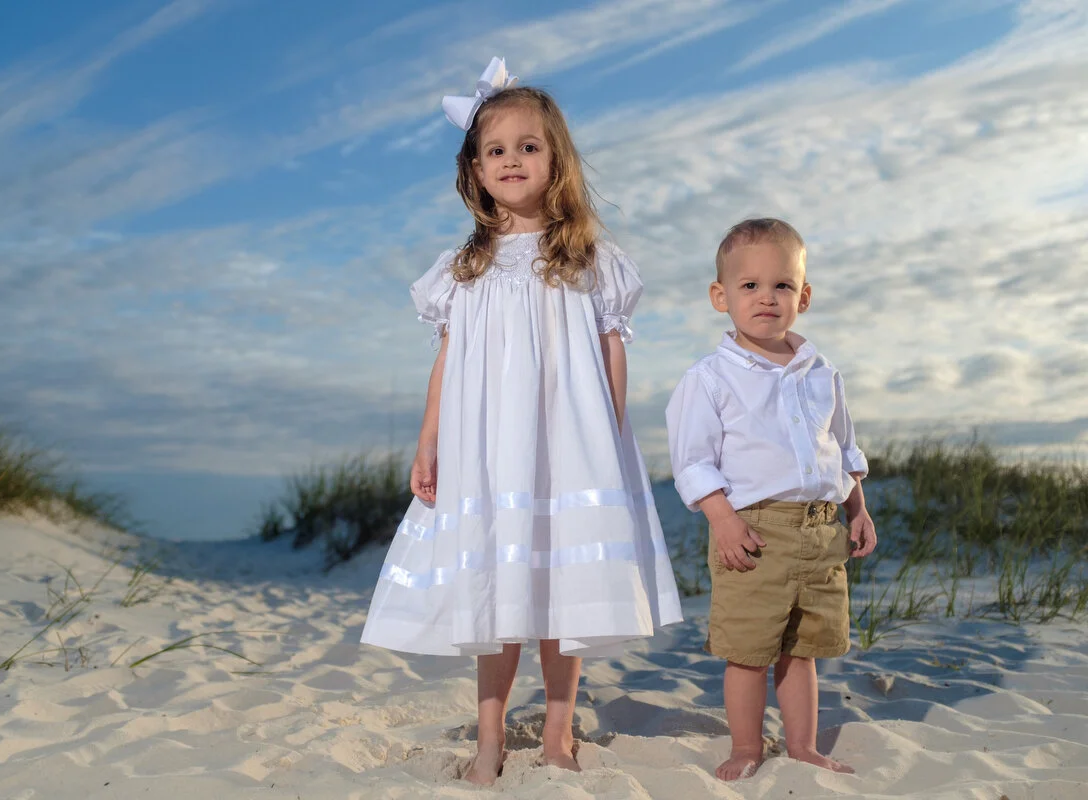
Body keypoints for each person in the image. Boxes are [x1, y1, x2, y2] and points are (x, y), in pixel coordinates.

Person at [361, 57, 682, 785]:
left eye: (527, 146)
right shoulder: (463, 268)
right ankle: (490, 736)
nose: (511, 159)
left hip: (567, 443)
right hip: (485, 449)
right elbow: (447, 362)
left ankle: (561, 730)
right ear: (473, 169)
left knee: (559, 587)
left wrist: (612, 434)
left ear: (555, 159)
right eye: (495, 149)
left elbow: (610, 354)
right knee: (494, 586)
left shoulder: (588, 258)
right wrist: (428, 439)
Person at [665, 218, 877, 781]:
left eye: (782, 286)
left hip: (821, 528)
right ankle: (745, 747)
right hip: (753, 531)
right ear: (721, 296)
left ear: (802, 297)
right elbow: (692, 461)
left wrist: (858, 508)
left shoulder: (822, 373)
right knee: (749, 649)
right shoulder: (711, 379)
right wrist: (722, 521)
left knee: (802, 647)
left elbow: (843, 447)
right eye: (749, 286)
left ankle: (803, 746)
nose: (766, 297)